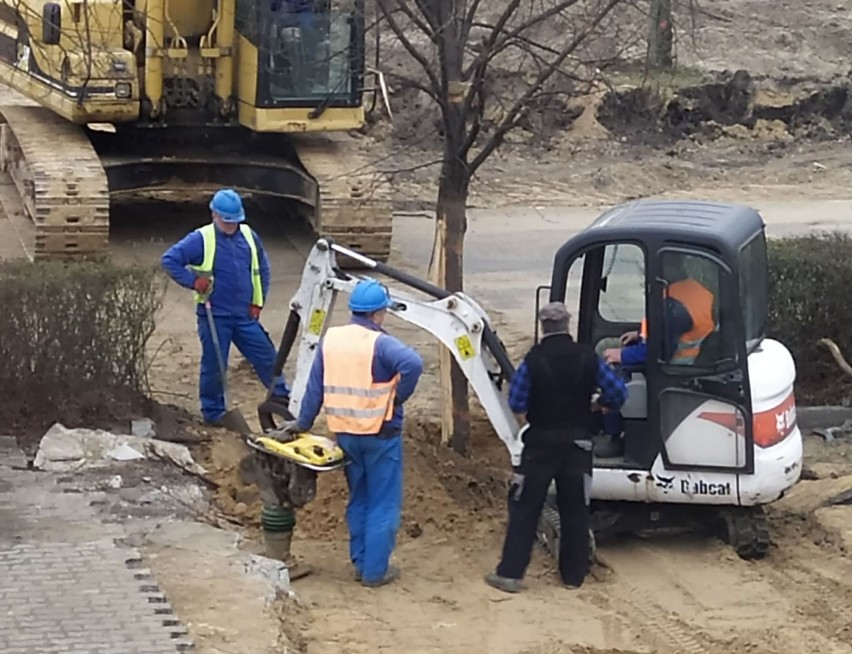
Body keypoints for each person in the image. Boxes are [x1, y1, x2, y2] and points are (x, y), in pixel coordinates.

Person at [285, 278, 424, 588]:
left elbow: (314, 387)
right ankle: (375, 572)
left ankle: (361, 562)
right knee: (383, 502)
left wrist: (303, 423)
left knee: (359, 498)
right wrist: (397, 396)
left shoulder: (331, 340)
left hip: (345, 433)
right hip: (380, 433)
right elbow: (413, 363)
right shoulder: (380, 343)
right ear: (378, 313)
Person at [485, 302, 627, 594]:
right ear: (568, 325)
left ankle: (510, 574)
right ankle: (574, 576)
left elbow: (517, 402)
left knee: (525, 508)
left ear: (543, 326)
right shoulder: (588, 358)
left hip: (540, 444)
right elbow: (617, 393)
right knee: (575, 509)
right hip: (579, 442)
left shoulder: (534, 360)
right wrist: (597, 404)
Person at [161, 188, 290, 425]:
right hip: (215, 315)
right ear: (214, 215)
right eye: (227, 222)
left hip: (245, 315)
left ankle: (281, 399)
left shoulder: (250, 236)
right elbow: (169, 260)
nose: (231, 226)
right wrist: (193, 282)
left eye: (235, 222)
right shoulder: (201, 238)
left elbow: (261, 270)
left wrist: (258, 302)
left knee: (267, 357)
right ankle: (214, 414)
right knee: (215, 365)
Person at [597, 261, 715, 456]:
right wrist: (638, 334)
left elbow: (658, 352)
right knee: (605, 346)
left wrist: (622, 355)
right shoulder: (693, 289)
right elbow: (665, 331)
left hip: (675, 365)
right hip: (686, 355)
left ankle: (614, 437)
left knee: (613, 372)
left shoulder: (673, 308)